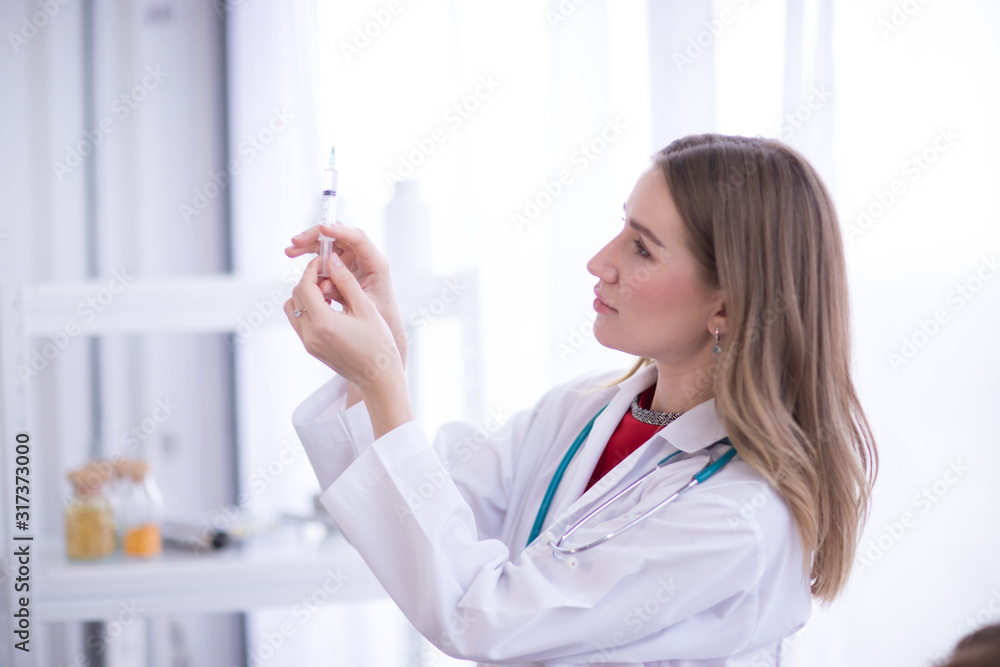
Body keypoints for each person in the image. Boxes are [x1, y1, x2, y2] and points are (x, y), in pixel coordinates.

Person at [283, 133, 878, 666]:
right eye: (623, 228)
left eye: (641, 248)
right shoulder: (582, 409)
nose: (600, 263)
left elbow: (481, 617)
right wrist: (377, 364)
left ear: (724, 305)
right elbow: (416, 523)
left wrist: (383, 380)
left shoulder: (740, 515)